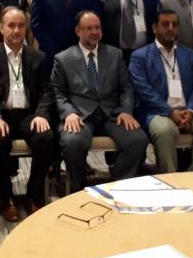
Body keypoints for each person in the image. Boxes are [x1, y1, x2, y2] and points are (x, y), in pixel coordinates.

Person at [51, 11, 148, 192]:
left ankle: (118, 186)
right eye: (89, 28)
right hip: (80, 116)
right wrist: (69, 113)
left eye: (97, 28)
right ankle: (77, 188)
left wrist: (126, 110)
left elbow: (126, 88)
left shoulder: (115, 54)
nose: (95, 32)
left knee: (138, 139)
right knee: (72, 143)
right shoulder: (63, 59)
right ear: (78, 31)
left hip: (112, 114)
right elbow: (57, 92)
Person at [0, 7, 57, 218]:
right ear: (1, 28)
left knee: (46, 137)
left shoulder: (38, 57)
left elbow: (47, 90)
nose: (17, 30)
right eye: (11, 25)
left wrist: (41, 114)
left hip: (28, 115)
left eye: (21, 25)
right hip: (1, 114)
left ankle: (33, 194)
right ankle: (7, 198)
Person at [129, 9, 193, 173]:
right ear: (155, 28)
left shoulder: (190, 54)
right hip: (157, 112)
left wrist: (191, 111)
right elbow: (144, 90)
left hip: (189, 111)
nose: (170, 28)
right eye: (165, 24)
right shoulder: (140, 56)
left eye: (174, 24)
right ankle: (170, 180)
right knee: (165, 130)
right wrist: (170, 112)